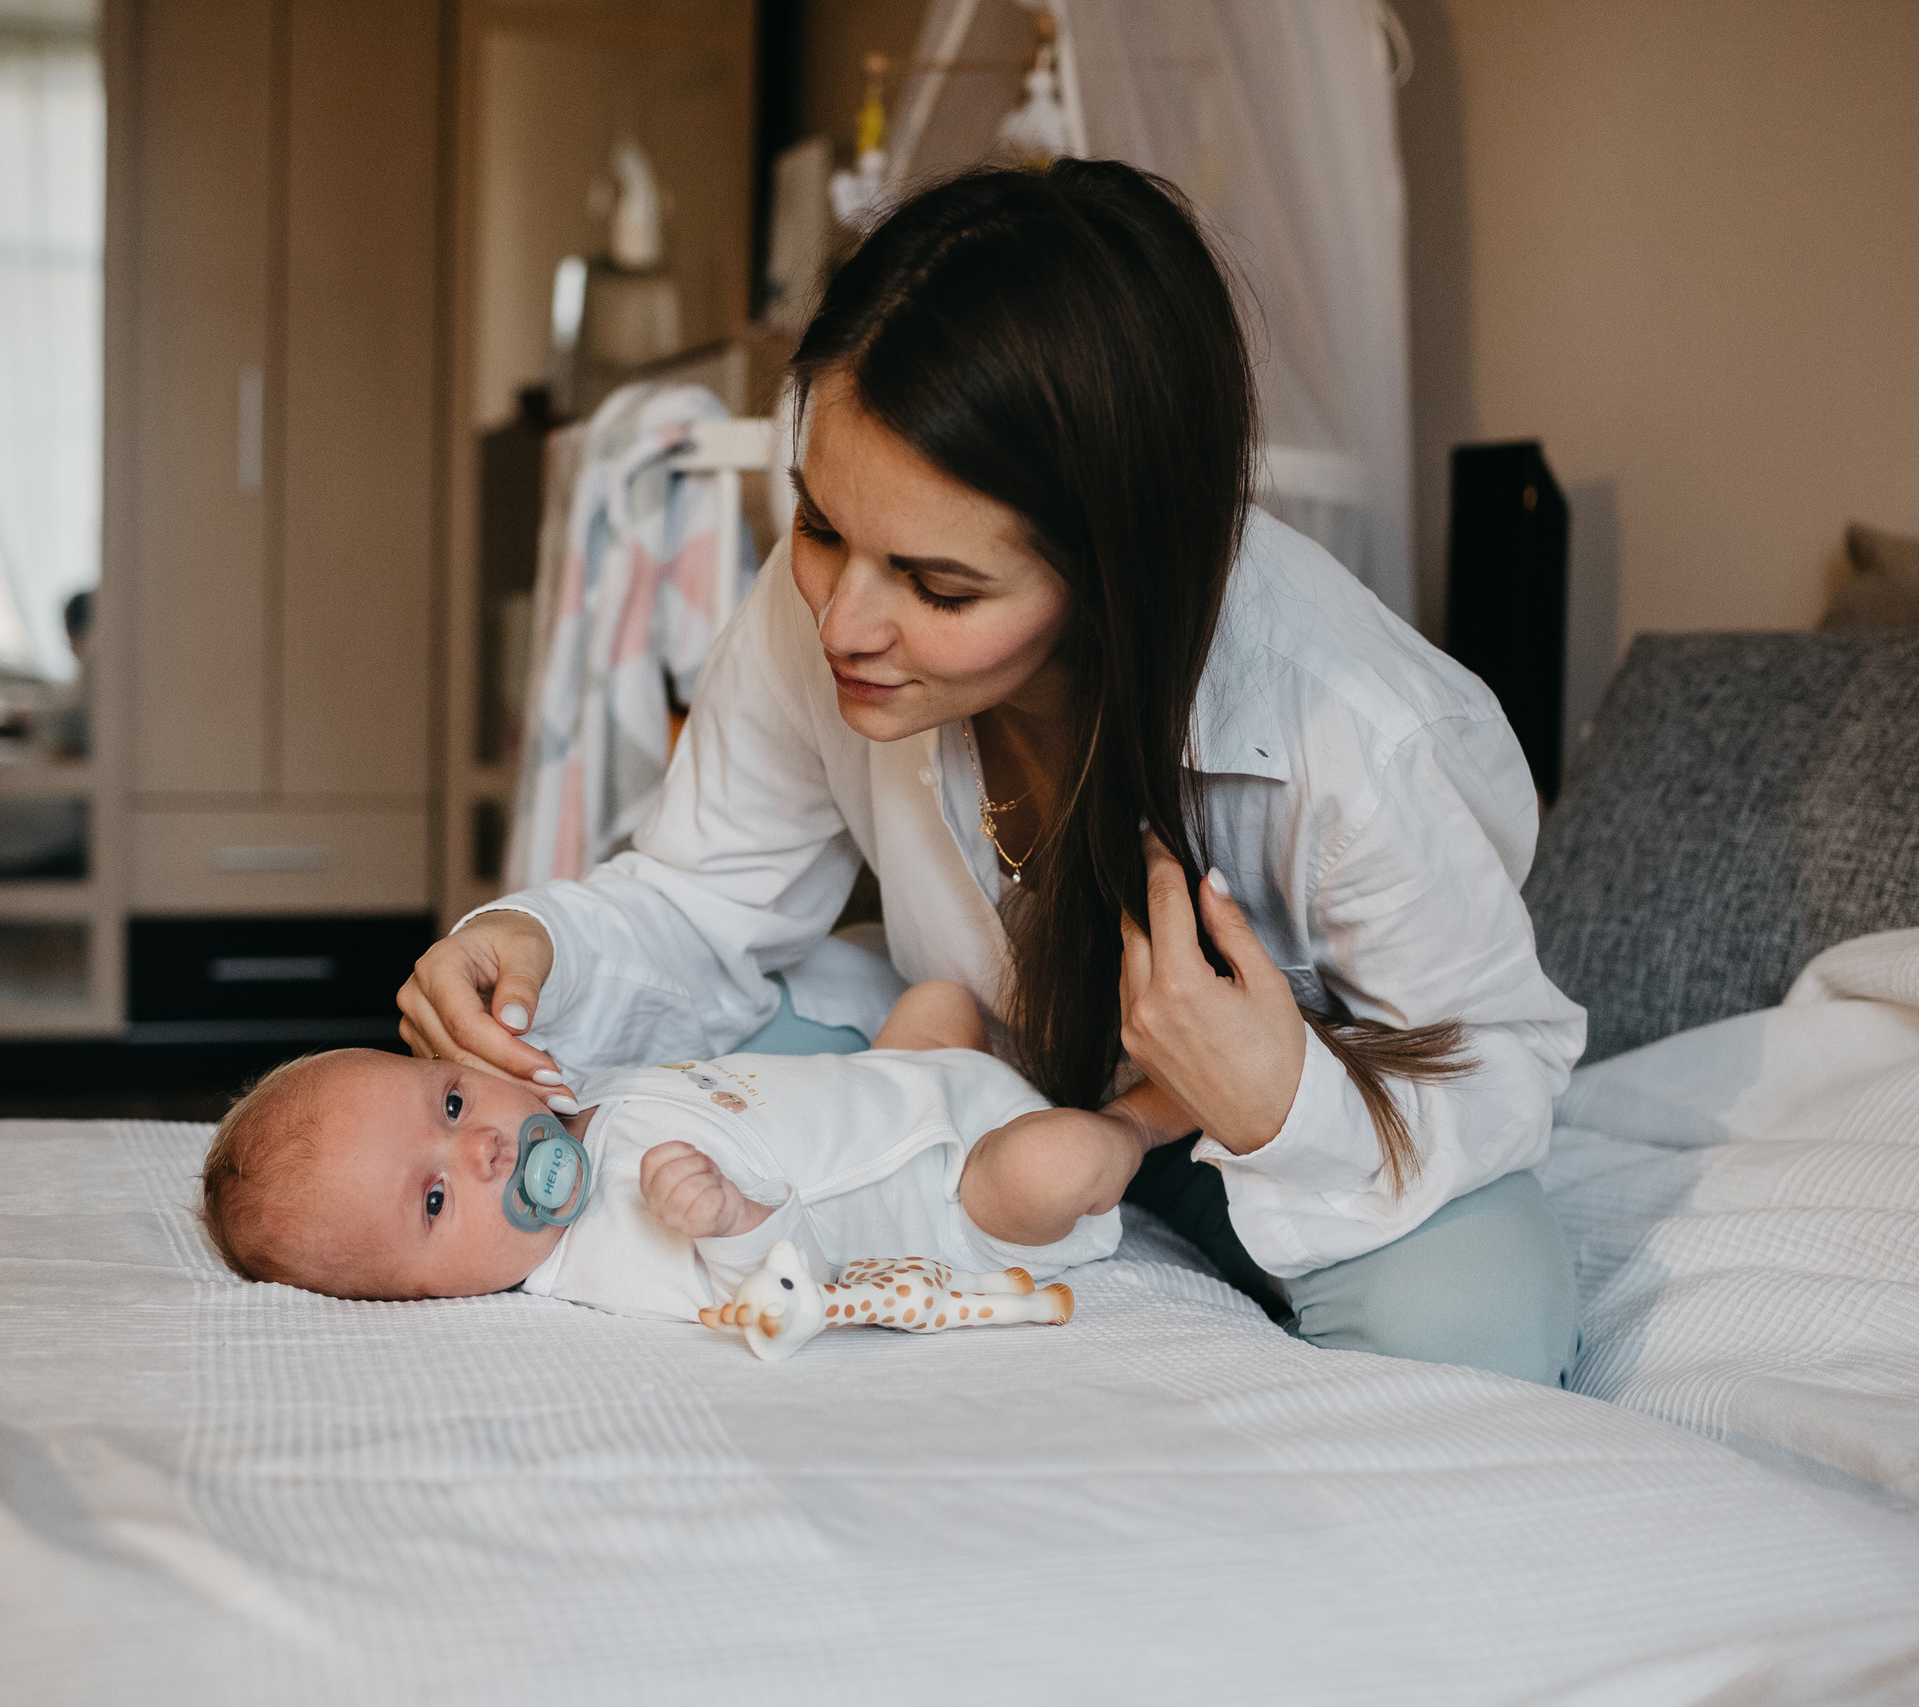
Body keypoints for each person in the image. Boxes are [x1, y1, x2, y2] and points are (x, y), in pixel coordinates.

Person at [397, 162, 1585, 1385]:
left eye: (938, 587)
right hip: (957, 1058)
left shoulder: (1363, 737)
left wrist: (1274, 1100)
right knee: (633, 1082)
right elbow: (705, 900)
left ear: (1109, 573)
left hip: (1234, 1122)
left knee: (1477, 1327)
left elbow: (1501, 1062)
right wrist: (534, 946)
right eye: (819, 527)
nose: (842, 623)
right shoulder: (818, 614)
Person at [200, 981, 1138, 1316]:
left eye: (451, 1101)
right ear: (423, 1297)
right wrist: (732, 1222)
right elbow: (788, 1292)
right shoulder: (601, 1257)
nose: (482, 1146)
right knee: (1056, 1159)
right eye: (435, 1200)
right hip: (953, 1197)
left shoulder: (576, 1102)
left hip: (907, 1081)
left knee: (939, 998)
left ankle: (996, 1068)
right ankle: (1152, 1117)